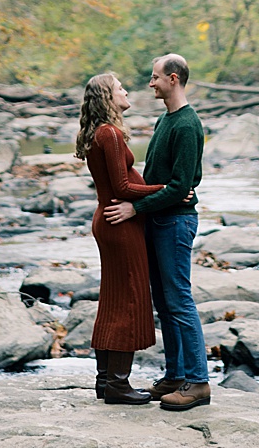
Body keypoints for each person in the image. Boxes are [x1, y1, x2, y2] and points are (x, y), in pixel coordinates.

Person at [102, 53, 208, 411]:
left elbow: (180, 186)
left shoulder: (187, 124)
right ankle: (175, 376)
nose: (150, 83)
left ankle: (198, 382)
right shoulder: (167, 120)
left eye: (155, 77)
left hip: (176, 221)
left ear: (173, 79)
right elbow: (159, 179)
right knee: (163, 302)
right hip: (160, 219)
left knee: (179, 300)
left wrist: (136, 207)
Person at [75, 71, 159, 404]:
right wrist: (167, 190)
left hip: (109, 220)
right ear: (108, 97)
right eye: (120, 88)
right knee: (129, 299)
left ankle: (105, 381)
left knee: (112, 301)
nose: (127, 91)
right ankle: (118, 386)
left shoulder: (102, 132)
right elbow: (123, 188)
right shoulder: (109, 134)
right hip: (118, 223)